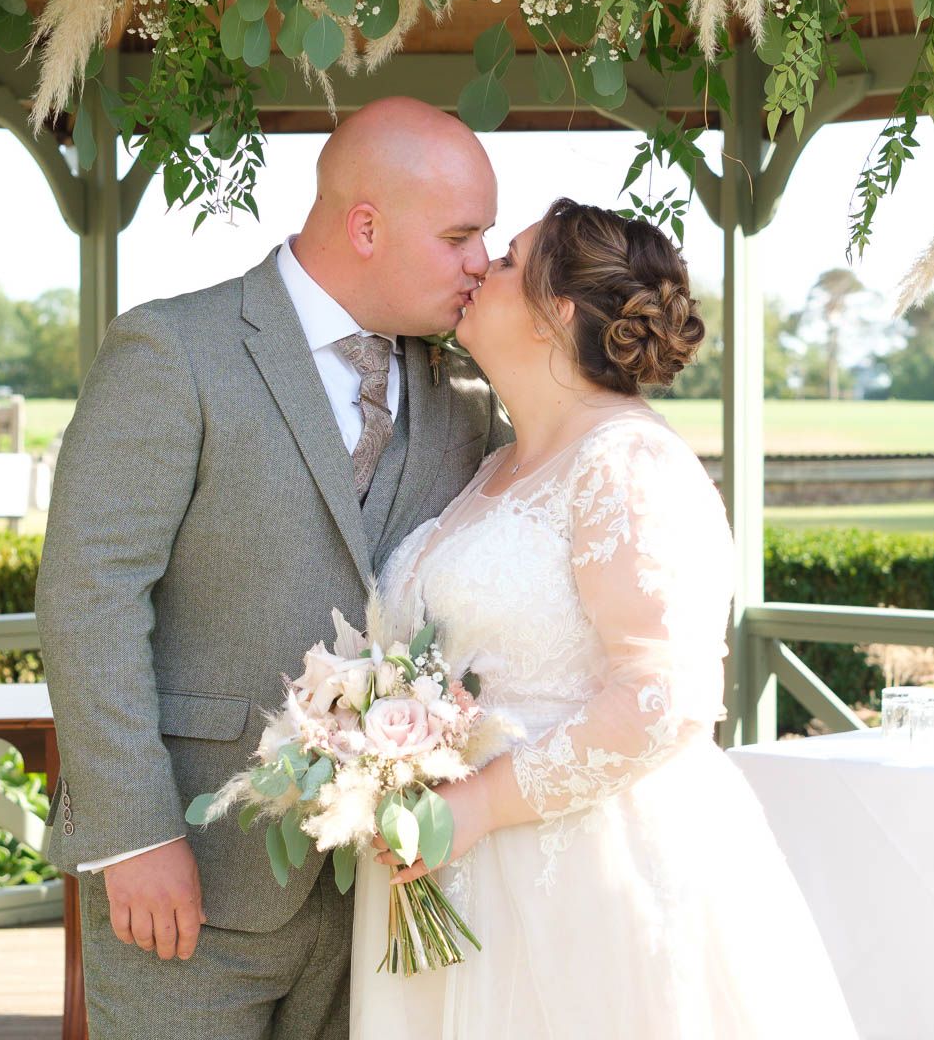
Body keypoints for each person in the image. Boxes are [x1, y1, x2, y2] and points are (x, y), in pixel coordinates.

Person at [36, 96, 509, 1039]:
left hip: (385, 888)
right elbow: (89, 597)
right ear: (365, 225)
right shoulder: (173, 351)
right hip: (193, 875)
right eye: (462, 235)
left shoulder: (461, 393)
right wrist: (135, 833)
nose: (482, 264)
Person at [350, 198, 858, 1038]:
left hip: (590, 877)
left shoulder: (629, 463)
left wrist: (472, 807)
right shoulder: (494, 468)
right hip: (457, 881)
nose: (479, 266)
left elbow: (667, 698)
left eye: (507, 259)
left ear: (559, 311)